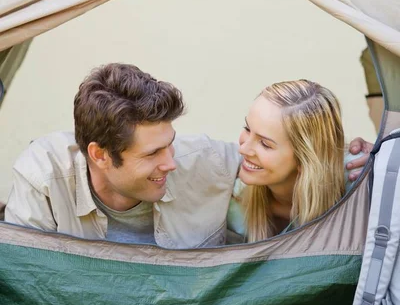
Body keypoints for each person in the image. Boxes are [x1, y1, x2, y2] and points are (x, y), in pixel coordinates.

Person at [5, 64, 372, 248]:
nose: (171, 162)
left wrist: (375, 158)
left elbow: (314, 160)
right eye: (152, 153)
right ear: (100, 155)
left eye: (171, 143)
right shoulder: (43, 177)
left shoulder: (208, 161)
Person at [228, 79, 361, 242]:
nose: (243, 149)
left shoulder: (357, 185)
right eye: (247, 129)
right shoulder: (234, 200)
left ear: (305, 158)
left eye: (265, 144)